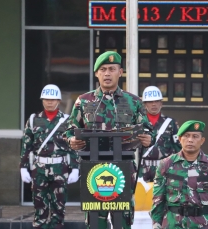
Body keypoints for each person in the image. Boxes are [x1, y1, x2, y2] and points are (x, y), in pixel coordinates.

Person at [64, 51, 154, 229]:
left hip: (124, 168)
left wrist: (148, 138)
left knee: (124, 220)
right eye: (103, 69)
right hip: (93, 169)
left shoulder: (133, 102)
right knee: (96, 221)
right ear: (96, 73)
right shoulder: (83, 101)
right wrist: (71, 140)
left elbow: (148, 129)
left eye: (112, 69)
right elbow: (70, 129)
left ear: (120, 72)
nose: (107, 73)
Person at [20, 84, 80, 229]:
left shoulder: (67, 121)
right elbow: (26, 145)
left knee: (58, 208)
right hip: (40, 168)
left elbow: (73, 146)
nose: (50, 102)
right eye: (46, 99)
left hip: (60, 168)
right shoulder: (34, 120)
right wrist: (23, 167)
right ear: (42, 100)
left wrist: (75, 168)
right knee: (39, 208)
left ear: (59, 101)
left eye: (53, 99)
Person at [151, 120, 208, 229]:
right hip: (173, 224)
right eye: (186, 136)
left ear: (202, 140)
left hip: (203, 224)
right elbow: (158, 200)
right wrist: (156, 225)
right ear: (179, 139)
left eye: (195, 136)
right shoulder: (166, 165)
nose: (190, 140)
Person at [139, 85, 181, 182]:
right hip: (142, 168)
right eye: (150, 102)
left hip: (164, 168)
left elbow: (178, 147)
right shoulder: (138, 123)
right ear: (145, 104)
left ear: (161, 103)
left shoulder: (171, 123)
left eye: (157, 101)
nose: (154, 104)